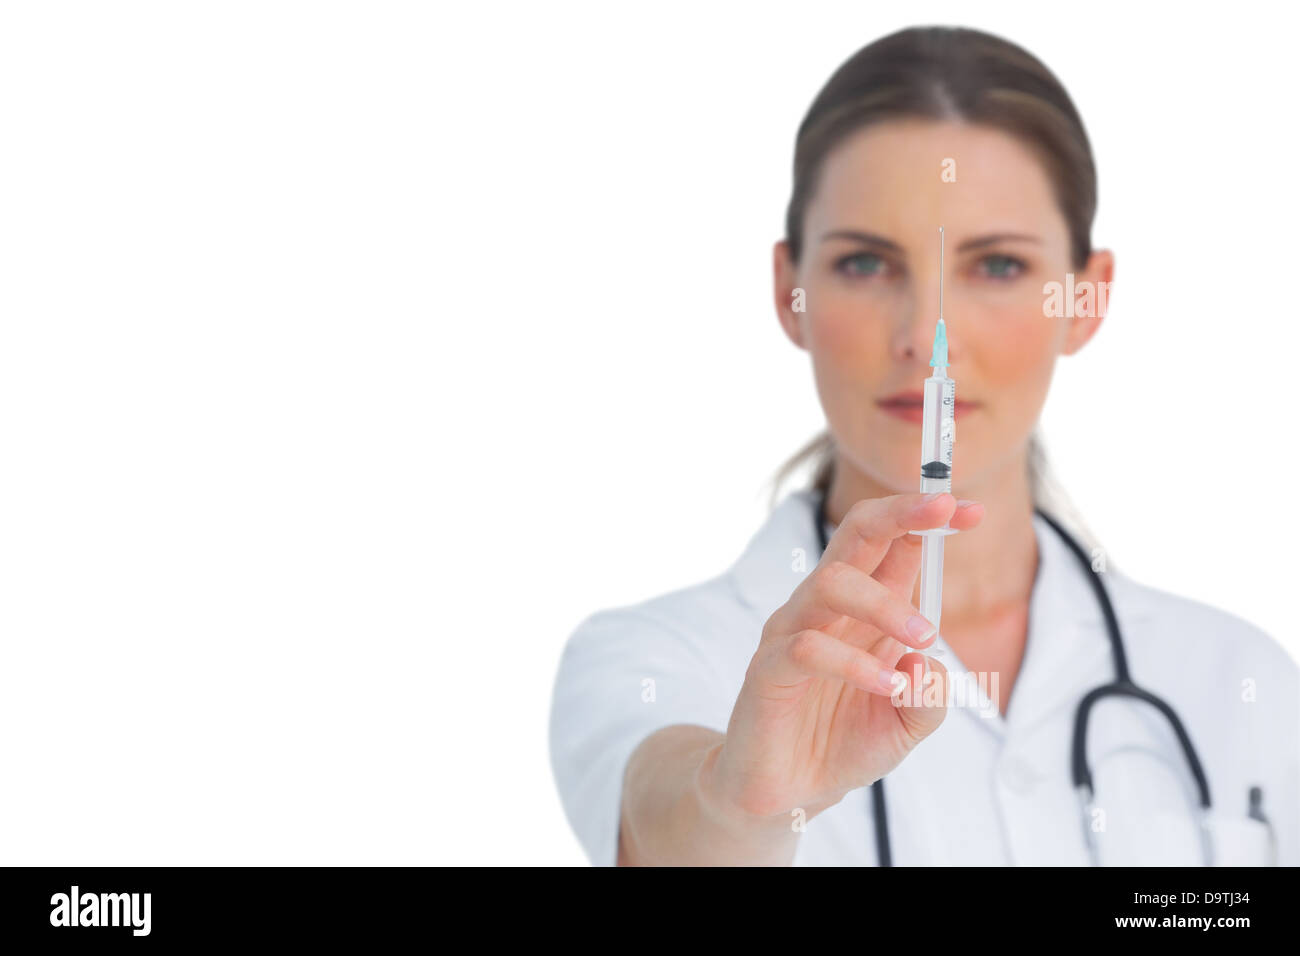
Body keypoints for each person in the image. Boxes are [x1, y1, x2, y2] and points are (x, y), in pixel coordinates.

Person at [548, 25, 1299, 866]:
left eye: (1000, 266)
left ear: (1085, 301)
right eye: (867, 264)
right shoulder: (654, 657)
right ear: (788, 292)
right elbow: (669, 817)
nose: (925, 335)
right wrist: (737, 809)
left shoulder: (1244, 680)